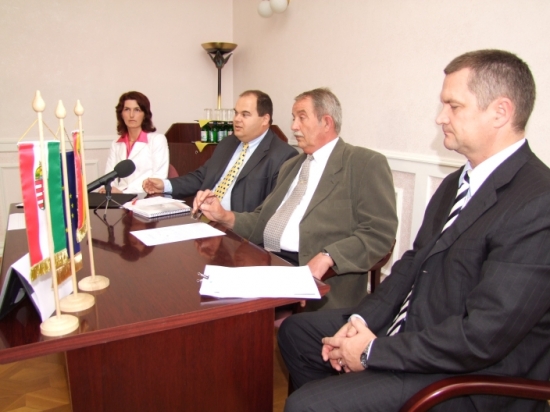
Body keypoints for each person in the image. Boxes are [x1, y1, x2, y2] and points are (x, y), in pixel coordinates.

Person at [278, 50, 550, 412]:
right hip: (418, 329)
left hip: (468, 376)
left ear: (500, 112)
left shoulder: (538, 202)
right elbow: (412, 264)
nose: (440, 117)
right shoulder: (456, 183)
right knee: (297, 334)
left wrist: (373, 351)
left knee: (305, 406)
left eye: (453, 106)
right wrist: (361, 321)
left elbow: (484, 336)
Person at [193, 88, 398, 311]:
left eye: (301, 117)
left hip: (317, 276)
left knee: (229, 311)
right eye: (293, 118)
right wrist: (223, 215)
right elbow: (261, 220)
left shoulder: (363, 163)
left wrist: (328, 256)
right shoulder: (291, 166)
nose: (293, 126)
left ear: (326, 122)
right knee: (205, 294)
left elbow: (379, 233)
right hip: (267, 262)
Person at [142, 90, 298, 212]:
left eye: (245, 115)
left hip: (238, 231)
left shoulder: (284, 156)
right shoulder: (228, 143)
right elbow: (202, 177)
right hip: (205, 218)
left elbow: (269, 211)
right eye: (236, 113)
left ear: (265, 119)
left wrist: (225, 217)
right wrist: (165, 185)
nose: (237, 119)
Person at [102, 91, 169, 194]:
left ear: (145, 114)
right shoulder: (116, 144)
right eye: (127, 109)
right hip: (120, 198)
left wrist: (123, 194)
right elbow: (109, 178)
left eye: (137, 110)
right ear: (121, 114)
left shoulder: (157, 140)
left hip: (147, 197)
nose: (131, 115)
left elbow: (158, 179)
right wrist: (108, 189)